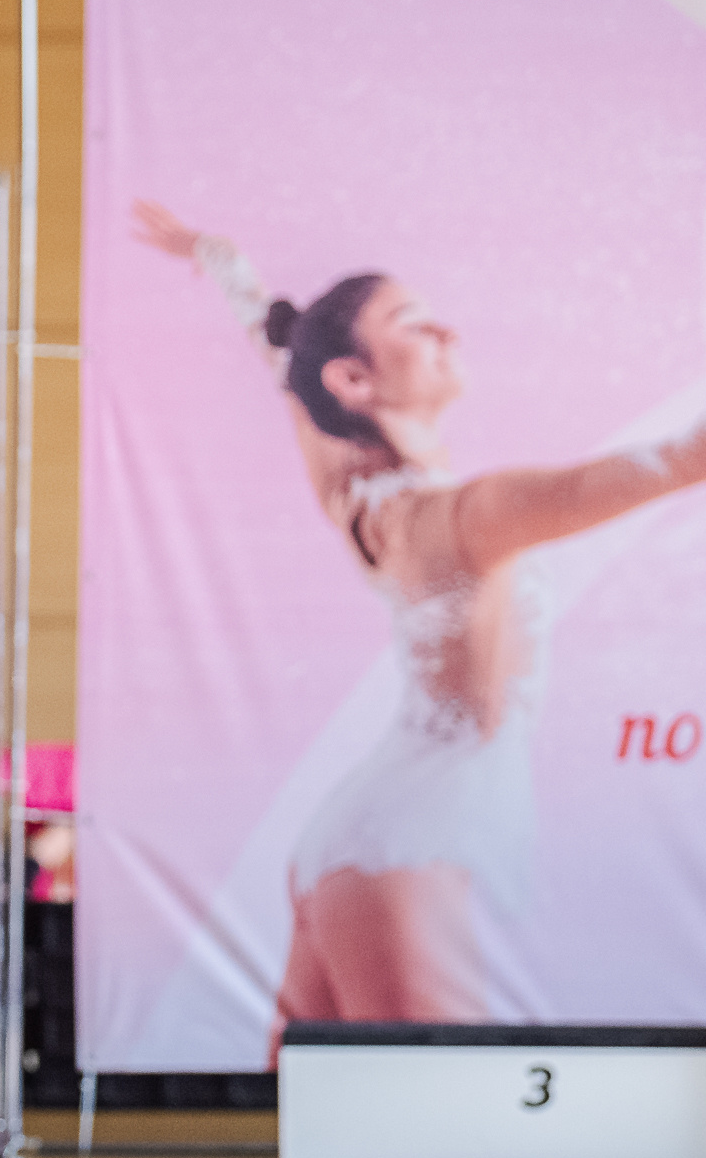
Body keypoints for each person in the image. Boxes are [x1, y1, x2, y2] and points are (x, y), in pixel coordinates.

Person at [135, 200, 706, 1033]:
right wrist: (213, 257)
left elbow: (276, 344)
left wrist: (214, 256)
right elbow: (672, 460)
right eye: (416, 323)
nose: (450, 334)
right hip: (409, 846)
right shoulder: (466, 518)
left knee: (339, 1126)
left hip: (372, 835)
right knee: (436, 1133)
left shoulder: (350, 486)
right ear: (354, 380)